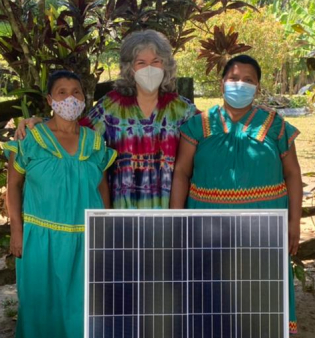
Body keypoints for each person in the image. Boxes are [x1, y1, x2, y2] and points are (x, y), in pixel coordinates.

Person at [169, 55, 302, 334]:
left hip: (263, 228)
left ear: (258, 87)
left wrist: (294, 223)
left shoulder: (275, 126)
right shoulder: (198, 125)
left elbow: (293, 175)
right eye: (234, 78)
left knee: (260, 292)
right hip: (207, 227)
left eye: (248, 80)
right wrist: (176, 220)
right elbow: (181, 172)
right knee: (209, 291)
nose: (240, 84)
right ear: (222, 83)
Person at [5, 70, 115, 338]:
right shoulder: (30, 138)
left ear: (85, 98)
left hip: (86, 236)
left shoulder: (94, 142)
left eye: (77, 92)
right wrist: (17, 230)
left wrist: (106, 229)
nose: (70, 98)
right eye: (62, 92)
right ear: (49, 100)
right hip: (42, 236)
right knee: (42, 301)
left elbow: (101, 186)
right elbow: (13, 185)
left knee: (83, 304)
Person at [16, 29, 197, 209]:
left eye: (156, 61)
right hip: (121, 213)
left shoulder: (182, 110)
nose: (149, 68)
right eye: (141, 62)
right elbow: (74, 131)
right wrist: (43, 122)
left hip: (168, 213)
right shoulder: (111, 106)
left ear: (166, 65)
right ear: (130, 68)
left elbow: (210, 131)